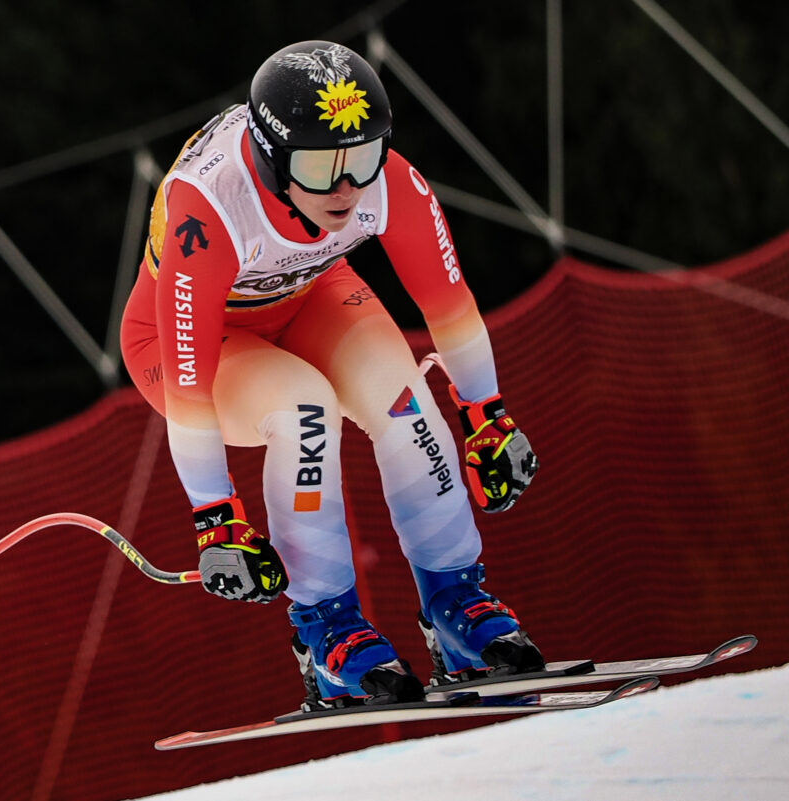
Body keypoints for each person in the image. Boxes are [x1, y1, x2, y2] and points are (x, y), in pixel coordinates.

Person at [120, 40, 543, 709]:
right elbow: (189, 384)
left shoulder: (389, 181)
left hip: (310, 293)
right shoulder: (211, 204)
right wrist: (215, 518)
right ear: (271, 159)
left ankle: (457, 603)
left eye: (362, 158)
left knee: (404, 398)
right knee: (304, 409)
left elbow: (450, 306)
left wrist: (487, 415)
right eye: (319, 167)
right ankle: (327, 631)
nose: (346, 188)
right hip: (190, 342)